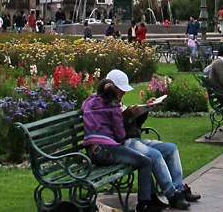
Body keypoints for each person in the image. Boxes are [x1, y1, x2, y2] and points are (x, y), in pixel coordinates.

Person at [81, 72, 192, 211]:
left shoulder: (90, 102)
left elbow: (123, 126)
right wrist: (125, 117)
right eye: (120, 91)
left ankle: (169, 193)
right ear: (113, 88)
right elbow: (120, 135)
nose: (123, 94)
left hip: (101, 147)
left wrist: (144, 109)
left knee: (169, 149)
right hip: (112, 146)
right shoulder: (114, 105)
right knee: (149, 158)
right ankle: (159, 199)